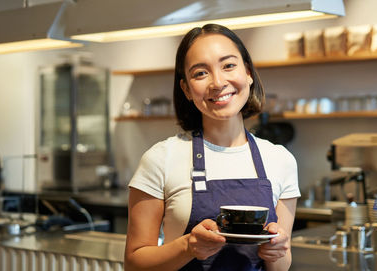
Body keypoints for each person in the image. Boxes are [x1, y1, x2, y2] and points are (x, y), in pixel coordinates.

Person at [124, 24, 300, 271]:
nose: (218, 82)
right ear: (186, 89)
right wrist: (189, 247)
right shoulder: (160, 159)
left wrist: (277, 251)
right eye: (200, 73)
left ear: (248, 72)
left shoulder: (281, 160)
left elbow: (280, 265)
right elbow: (134, 264)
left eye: (228, 66)